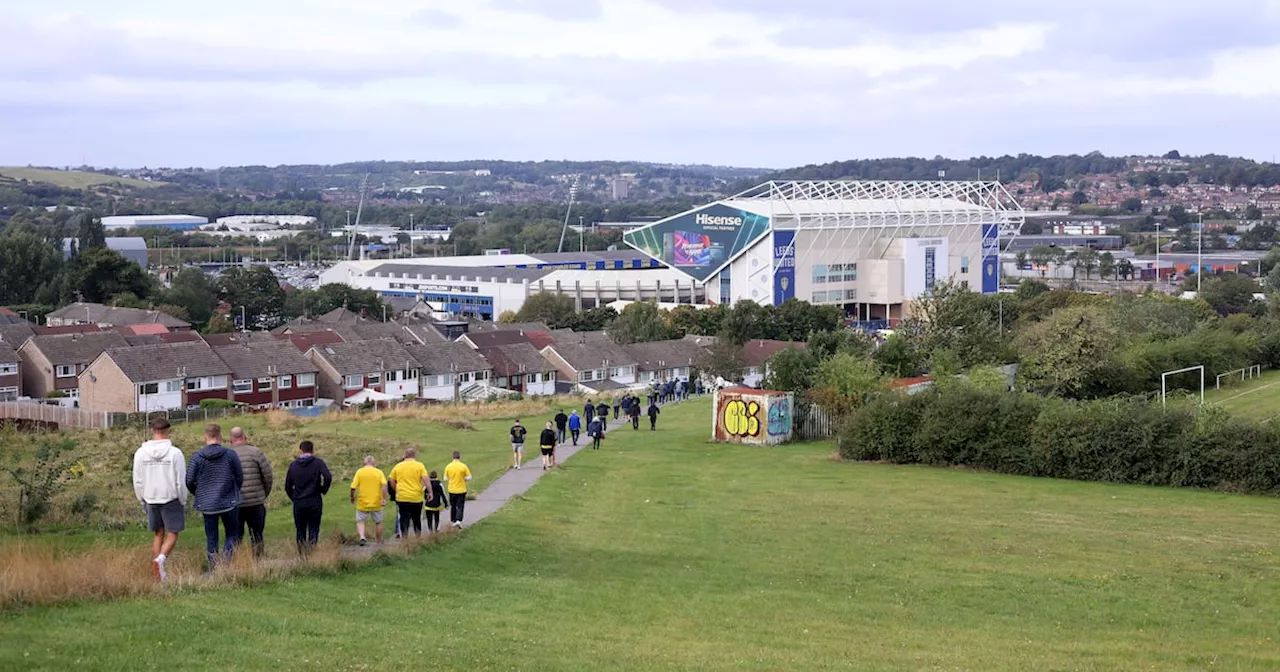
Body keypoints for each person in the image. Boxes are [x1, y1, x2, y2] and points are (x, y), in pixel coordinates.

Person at [133, 418, 188, 583]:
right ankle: (160, 560)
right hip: (170, 497)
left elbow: (137, 479)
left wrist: (141, 498)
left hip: (150, 496)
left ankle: (157, 570)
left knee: (158, 533)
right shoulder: (174, 453)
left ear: (153, 431)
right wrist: (183, 498)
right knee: (173, 533)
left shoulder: (140, 453)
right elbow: (180, 479)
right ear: (167, 431)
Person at [185, 424, 243, 571]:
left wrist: (198, 493)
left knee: (211, 537)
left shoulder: (197, 457)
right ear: (220, 436)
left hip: (207, 503)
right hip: (228, 500)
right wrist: (234, 490)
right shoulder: (230, 455)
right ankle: (226, 561)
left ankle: (214, 568)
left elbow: (189, 480)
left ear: (205, 437)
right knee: (232, 534)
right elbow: (239, 476)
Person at [228, 427, 273, 558]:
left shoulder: (227, 455)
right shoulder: (256, 452)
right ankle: (257, 561)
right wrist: (263, 493)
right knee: (257, 535)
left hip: (235, 503)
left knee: (236, 536)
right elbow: (268, 476)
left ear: (231, 440)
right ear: (245, 437)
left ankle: (237, 563)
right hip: (256, 501)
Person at [284, 440, 332, 554]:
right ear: (313, 450)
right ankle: (312, 553)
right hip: (314, 499)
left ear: (301, 450)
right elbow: (328, 477)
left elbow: (287, 486)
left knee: (300, 530)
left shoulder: (293, 465)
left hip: (299, 501)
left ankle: (302, 555)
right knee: (313, 528)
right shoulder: (318, 463)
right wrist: (322, 489)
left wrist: (294, 497)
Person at [388, 448, 428, 538]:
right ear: (414, 455)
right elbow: (425, 479)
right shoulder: (419, 466)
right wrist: (430, 491)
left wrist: (396, 489)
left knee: (404, 518)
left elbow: (391, 480)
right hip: (416, 497)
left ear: (405, 455)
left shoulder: (398, 466)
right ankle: (417, 537)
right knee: (416, 518)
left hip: (402, 497)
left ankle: (405, 538)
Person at [349, 456, 387, 546]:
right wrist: (384, 498)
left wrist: (352, 497)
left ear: (364, 463)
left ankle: (362, 537)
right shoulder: (379, 472)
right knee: (378, 521)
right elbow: (384, 485)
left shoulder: (359, 472)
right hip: (376, 501)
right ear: (374, 463)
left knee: (360, 521)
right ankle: (378, 541)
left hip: (362, 501)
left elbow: (353, 487)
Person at [443, 451, 472, 528]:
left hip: (452, 489)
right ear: (459, 457)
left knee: (453, 505)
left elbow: (445, 478)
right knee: (460, 505)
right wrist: (463, 478)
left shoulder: (448, 466)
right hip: (461, 489)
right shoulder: (463, 466)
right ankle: (458, 520)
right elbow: (469, 477)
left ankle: (453, 520)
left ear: (452, 457)